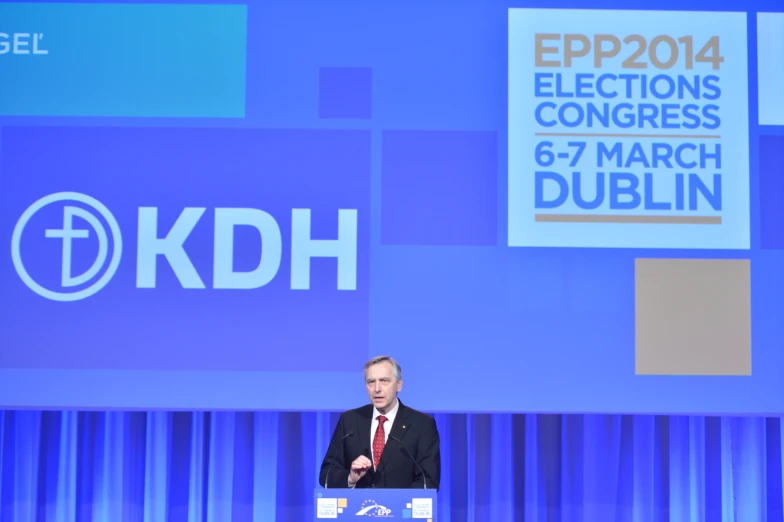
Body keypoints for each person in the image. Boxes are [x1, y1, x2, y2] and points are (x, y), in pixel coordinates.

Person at [319, 355, 441, 489]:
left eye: (384, 381)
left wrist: (397, 506)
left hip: (401, 509)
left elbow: (428, 480)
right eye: (371, 382)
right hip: (357, 508)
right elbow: (327, 474)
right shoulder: (349, 421)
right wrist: (350, 478)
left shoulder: (422, 424)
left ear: (398, 385)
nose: (377, 389)